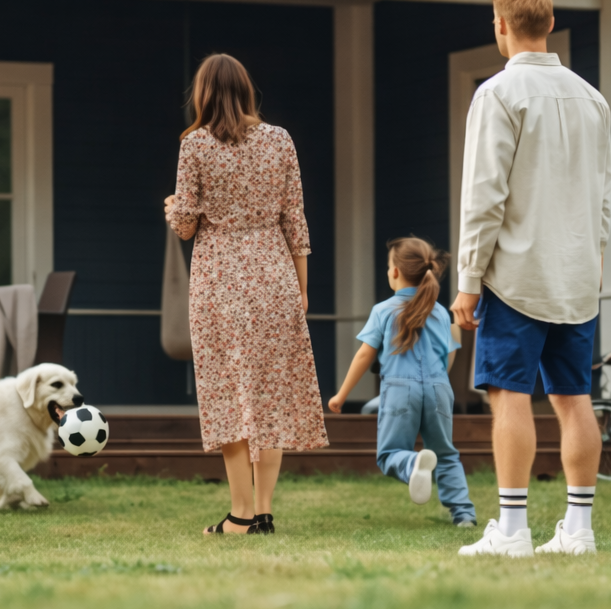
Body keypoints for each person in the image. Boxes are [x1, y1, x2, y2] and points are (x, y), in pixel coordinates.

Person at [451, 0, 611, 559]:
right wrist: (593, 266)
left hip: (515, 276)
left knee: (508, 395)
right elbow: (603, 197)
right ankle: (579, 530)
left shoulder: (497, 94)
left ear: (500, 26)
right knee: (575, 398)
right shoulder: (593, 98)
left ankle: (513, 531)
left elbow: (484, 197)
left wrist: (468, 281)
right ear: (548, 24)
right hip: (577, 278)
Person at [164, 54, 329, 535]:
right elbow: (295, 222)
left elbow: (187, 227)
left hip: (219, 280)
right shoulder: (280, 140)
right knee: (269, 398)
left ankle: (239, 515)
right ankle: (264, 511)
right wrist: (300, 291)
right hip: (274, 274)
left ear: (203, 94)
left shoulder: (194, 145)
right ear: (247, 91)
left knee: (227, 395)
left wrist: (172, 208)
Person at [329, 237, 476, 527]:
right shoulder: (438, 311)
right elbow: (448, 355)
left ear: (395, 271)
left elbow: (363, 356)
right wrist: (437, 382)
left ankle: (411, 464)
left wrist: (341, 396)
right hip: (438, 388)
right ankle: (464, 515)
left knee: (389, 455)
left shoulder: (384, 310)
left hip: (399, 390)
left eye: (388, 267)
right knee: (446, 454)